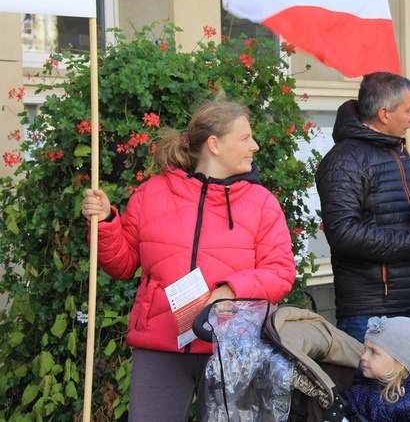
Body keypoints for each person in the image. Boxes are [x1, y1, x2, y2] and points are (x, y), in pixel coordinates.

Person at [81, 100, 296, 421]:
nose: (255, 145)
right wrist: (104, 225)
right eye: (245, 137)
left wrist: (231, 290)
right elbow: (122, 264)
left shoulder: (262, 203)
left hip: (231, 349)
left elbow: (281, 272)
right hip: (160, 350)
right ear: (215, 145)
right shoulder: (151, 193)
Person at [315, 71, 410, 364]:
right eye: (407, 110)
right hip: (373, 312)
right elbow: (343, 232)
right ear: (384, 114)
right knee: (373, 404)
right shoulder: (345, 159)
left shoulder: (399, 151)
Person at [344, 316, 410, 421]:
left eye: (373, 352)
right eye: (365, 349)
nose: (363, 357)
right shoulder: (359, 392)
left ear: (399, 364)